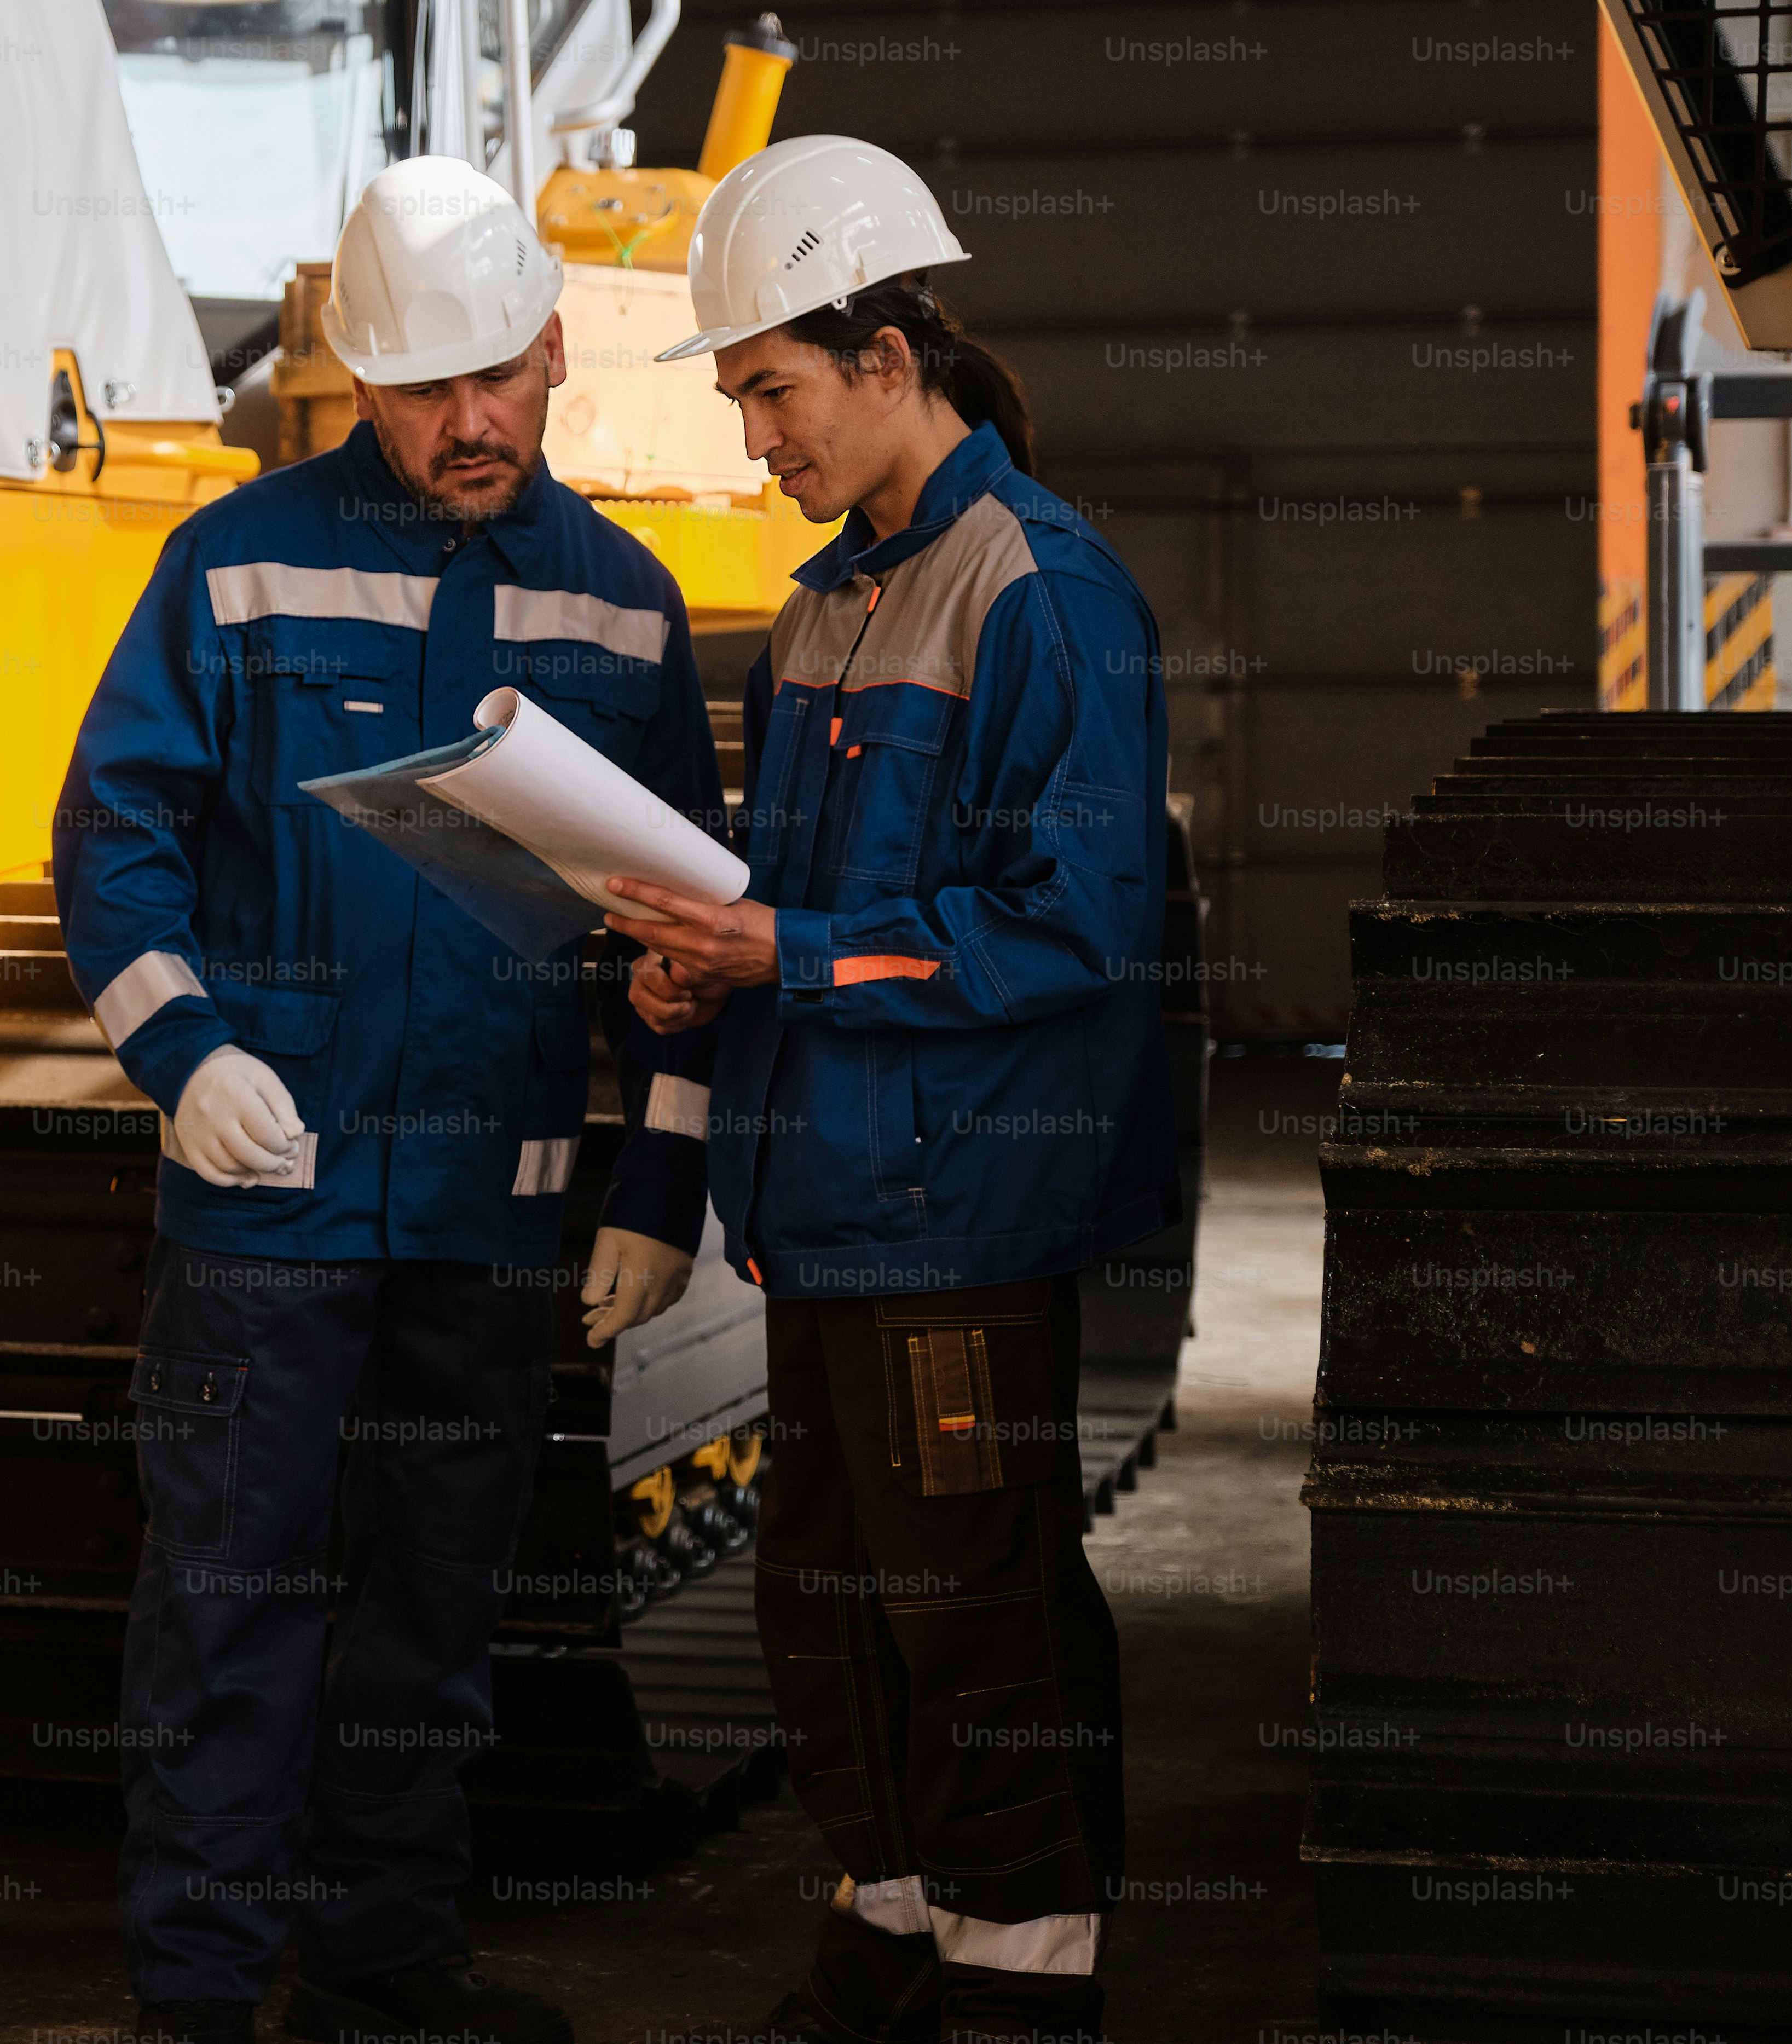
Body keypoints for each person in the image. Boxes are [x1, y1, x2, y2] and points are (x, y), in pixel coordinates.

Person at [54, 155, 727, 2044]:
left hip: (489, 1226)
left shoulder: (626, 610)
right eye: (425, 391)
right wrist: (185, 1058)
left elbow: (688, 921)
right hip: (267, 1213)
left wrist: (657, 1184)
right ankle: (195, 2003)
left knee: (436, 1620)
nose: (471, 423)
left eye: (498, 377)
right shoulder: (235, 561)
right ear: (357, 385)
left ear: (553, 347)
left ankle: (381, 1978)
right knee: (230, 1619)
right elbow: (115, 836)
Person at [608, 135, 1178, 2044]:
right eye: (744, 396)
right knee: (834, 1599)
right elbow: (818, 906)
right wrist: (717, 969)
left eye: (772, 389)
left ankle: (1022, 1978)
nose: (756, 438)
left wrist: (795, 958)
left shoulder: (1043, 591)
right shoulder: (824, 610)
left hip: (959, 1211)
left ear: (887, 351)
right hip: (827, 1207)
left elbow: (1071, 923)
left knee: (968, 1602)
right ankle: (893, 1926)